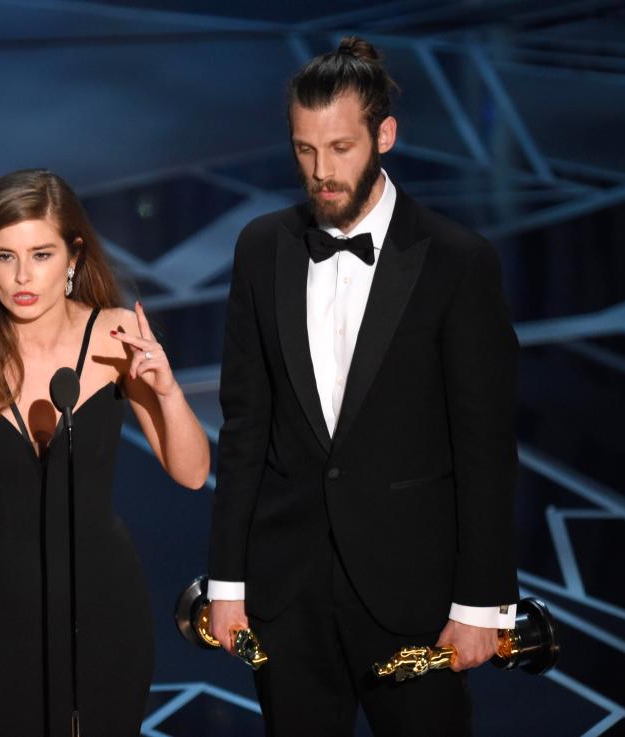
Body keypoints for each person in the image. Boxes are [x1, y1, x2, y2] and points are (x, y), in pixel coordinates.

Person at [206, 37, 519, 736]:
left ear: (385, 135)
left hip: (418, 599)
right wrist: (227, 585)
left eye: (341, 149)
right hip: (287, 597)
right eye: (305, 150)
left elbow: (486, 446)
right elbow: (245, 426)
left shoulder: (458, 262)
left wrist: (482, 605)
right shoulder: (262, 248)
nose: (322, 173)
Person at [0, 169, 210, 736]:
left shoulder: (116, 336)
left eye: (41, 254)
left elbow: (192, 473)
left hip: (102, 609)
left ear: (73, 255)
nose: (23, 277)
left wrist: (168, 393)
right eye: (4, 256)